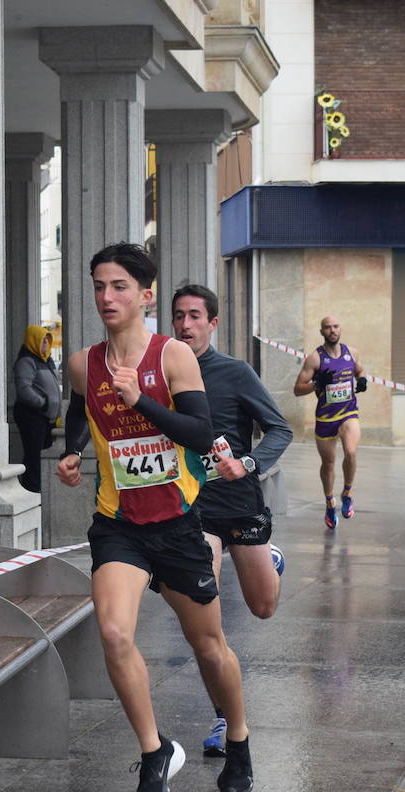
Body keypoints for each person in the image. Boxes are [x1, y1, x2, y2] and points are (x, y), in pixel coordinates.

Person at [56, 243, 254, 792]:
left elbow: (198, 433)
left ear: (145, 295)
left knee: (208, 647)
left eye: (118, 286)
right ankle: (154, 751)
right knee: (114, 633)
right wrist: (71, 452)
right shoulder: (81, 363)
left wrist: (139, 399)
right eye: (98, 286)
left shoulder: (172, 358)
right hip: (119, 525)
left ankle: (238, 739)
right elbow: (78, 406)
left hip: (177, 524)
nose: (106, 297)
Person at [170, 284, 293, 756]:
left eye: (195, 316)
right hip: (192, 507)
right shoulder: (162, 373)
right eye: (179, 315)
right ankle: (225, 719)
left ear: (212, 323)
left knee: (263, 606)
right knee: (207, 625)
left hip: (239, 501)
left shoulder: (235, 372)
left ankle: (270, 560)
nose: (185, 325)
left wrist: (250, 463)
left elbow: (280, 428)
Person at [293, 315, 366, 529]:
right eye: (328, 327)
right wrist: (316, 384)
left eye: (335, 326)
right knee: (329, 464)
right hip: (325, 418)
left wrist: (361, 379)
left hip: (348, 413)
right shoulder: (315, 358)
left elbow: (359, 369)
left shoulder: (351, 352)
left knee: (351, 452)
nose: (332, 330)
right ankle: (329, 502)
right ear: (322, 332)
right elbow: (297, 389)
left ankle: (348, 492)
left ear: (340, 329)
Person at [12, 325, 61, 492]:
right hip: (32, 416)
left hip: (46, 417)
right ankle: (32, 488)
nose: (46, 344)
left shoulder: (46, 361)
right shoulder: (26, 361)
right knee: (34, 455)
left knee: (42, 453)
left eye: (47, 341)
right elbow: (24, 389)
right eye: (42, 341)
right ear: (34, 341)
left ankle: (39, 487)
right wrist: (44, 403)